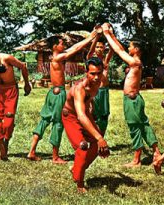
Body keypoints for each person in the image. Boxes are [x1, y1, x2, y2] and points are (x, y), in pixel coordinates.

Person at [27, 28, 99, 163]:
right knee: (58, 123)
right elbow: (75, 48)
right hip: (59, 93)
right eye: (61, 43)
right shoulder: (58, 57)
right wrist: (90, 38)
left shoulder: (54, 57)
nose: (64, 45)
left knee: (44, 120)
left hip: (52, 92)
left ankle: (32, 151)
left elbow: (73, 48)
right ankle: (55, 157)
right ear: (55, 46)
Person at [102, 23, 161, 168]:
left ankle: (136, 160)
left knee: (135, 127)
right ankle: (156, 152)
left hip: (132, 100)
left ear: (136, 49)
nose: (128, 48)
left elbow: (119, 50)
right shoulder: (136, 61)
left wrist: (107, 34)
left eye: (130, 46)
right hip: (135, 99)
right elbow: (121, 48)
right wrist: (112, 34)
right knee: (144, 125)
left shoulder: (134, 62)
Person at [62, 57, 110, 193]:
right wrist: (100, 138)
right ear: (86, 73)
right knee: (83, 146)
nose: (96, 77)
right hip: (71, 116)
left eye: (99, 73)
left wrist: (91, 108)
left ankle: (76, 168)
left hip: (84, 113)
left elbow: (89, 100)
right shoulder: (79, 89)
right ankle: (80, 184)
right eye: (92, 74)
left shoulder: (99, 82)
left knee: (96, 147)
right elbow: (80, 116)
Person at [86, 34, 113, 134]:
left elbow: (112, 50)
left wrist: (109, 34)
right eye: (97, 47)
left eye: (101, 47)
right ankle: (93, 138)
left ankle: (101, 137)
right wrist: (96, 36)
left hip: (104, 91)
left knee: (104, 115)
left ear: (104, 48)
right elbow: (89, 52)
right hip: (94, 91)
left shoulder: (105, 62)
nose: (99, 49)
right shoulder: (91, 61)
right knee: (92, 114)